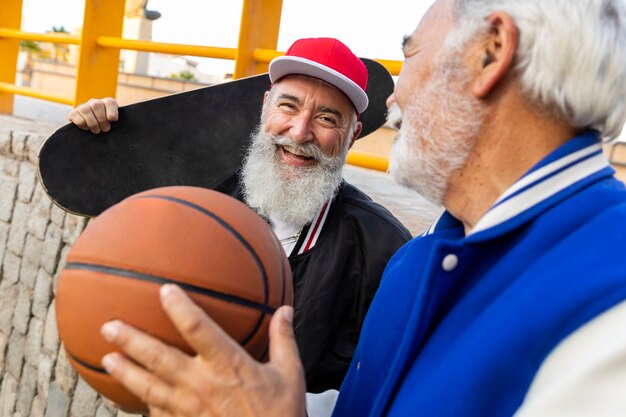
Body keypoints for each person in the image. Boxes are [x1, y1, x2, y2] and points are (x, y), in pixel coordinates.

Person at [95, 0, 626, 415]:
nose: (394, 101)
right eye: (288, 106)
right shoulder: (416, 266)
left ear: (491, 52)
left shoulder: (608, 301)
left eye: (410, 56)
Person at [67, 37, 412, 394]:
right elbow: (125, 265)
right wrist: (100, 139)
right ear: (265, 107)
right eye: (288, 107)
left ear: (352, 135)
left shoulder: (384, 251)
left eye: (326, 118)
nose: (300, 131)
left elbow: (384, 388)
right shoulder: (198, 204)